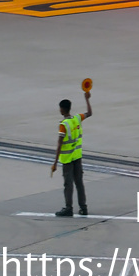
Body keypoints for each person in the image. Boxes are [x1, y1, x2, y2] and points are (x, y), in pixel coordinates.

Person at [50, 88, 92, 217]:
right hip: (77, 157)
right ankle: (83, 207)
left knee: (68, 184)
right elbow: (89, 113)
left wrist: (55, 163)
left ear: (62, 109)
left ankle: (68, 208)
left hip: (68, 159)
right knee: (79, 183)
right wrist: (87, 99)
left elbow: (59, 144)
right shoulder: (77, 119)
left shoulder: (64, 124)